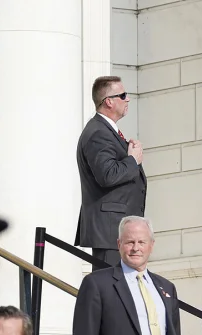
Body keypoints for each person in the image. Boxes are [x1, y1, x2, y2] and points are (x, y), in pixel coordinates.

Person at [73, 216, 183, 335]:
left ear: (151, 245)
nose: (136, 248)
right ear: (119, 244)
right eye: (130, 242)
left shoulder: (166, 288)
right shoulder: (97, 284)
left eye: (141, 242)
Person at [75, 75, 147, 265]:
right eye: (122, 95)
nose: (128, 99)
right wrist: (133, 160)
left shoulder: (105, 131)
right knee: (110, 289)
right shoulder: (98, 132)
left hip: (116, 230)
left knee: (120, 289)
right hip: (110, 232)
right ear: (108, 101)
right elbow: (107, 175)